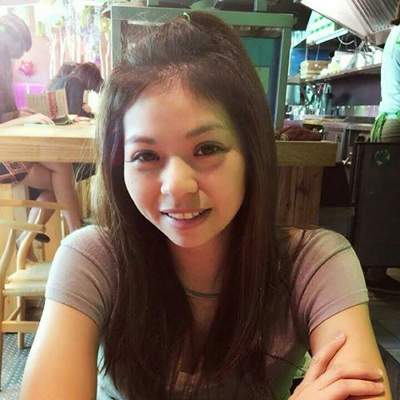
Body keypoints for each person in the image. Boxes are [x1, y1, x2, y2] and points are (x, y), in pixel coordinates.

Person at [21, 12, 391, 400]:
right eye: (146, 155)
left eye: (207, 149)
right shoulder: (92, 261)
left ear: (251, 152)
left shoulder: (314, 264)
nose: (177, 187)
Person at [0, 13, 81, 258]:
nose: (18, 57)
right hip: (3, 157)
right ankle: (76, 240)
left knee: (62, 172)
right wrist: (22, 119)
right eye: (16, 50)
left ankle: (31, 239)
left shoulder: (4, 66)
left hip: (9, 149)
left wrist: (20, 113)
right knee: (62, 176)